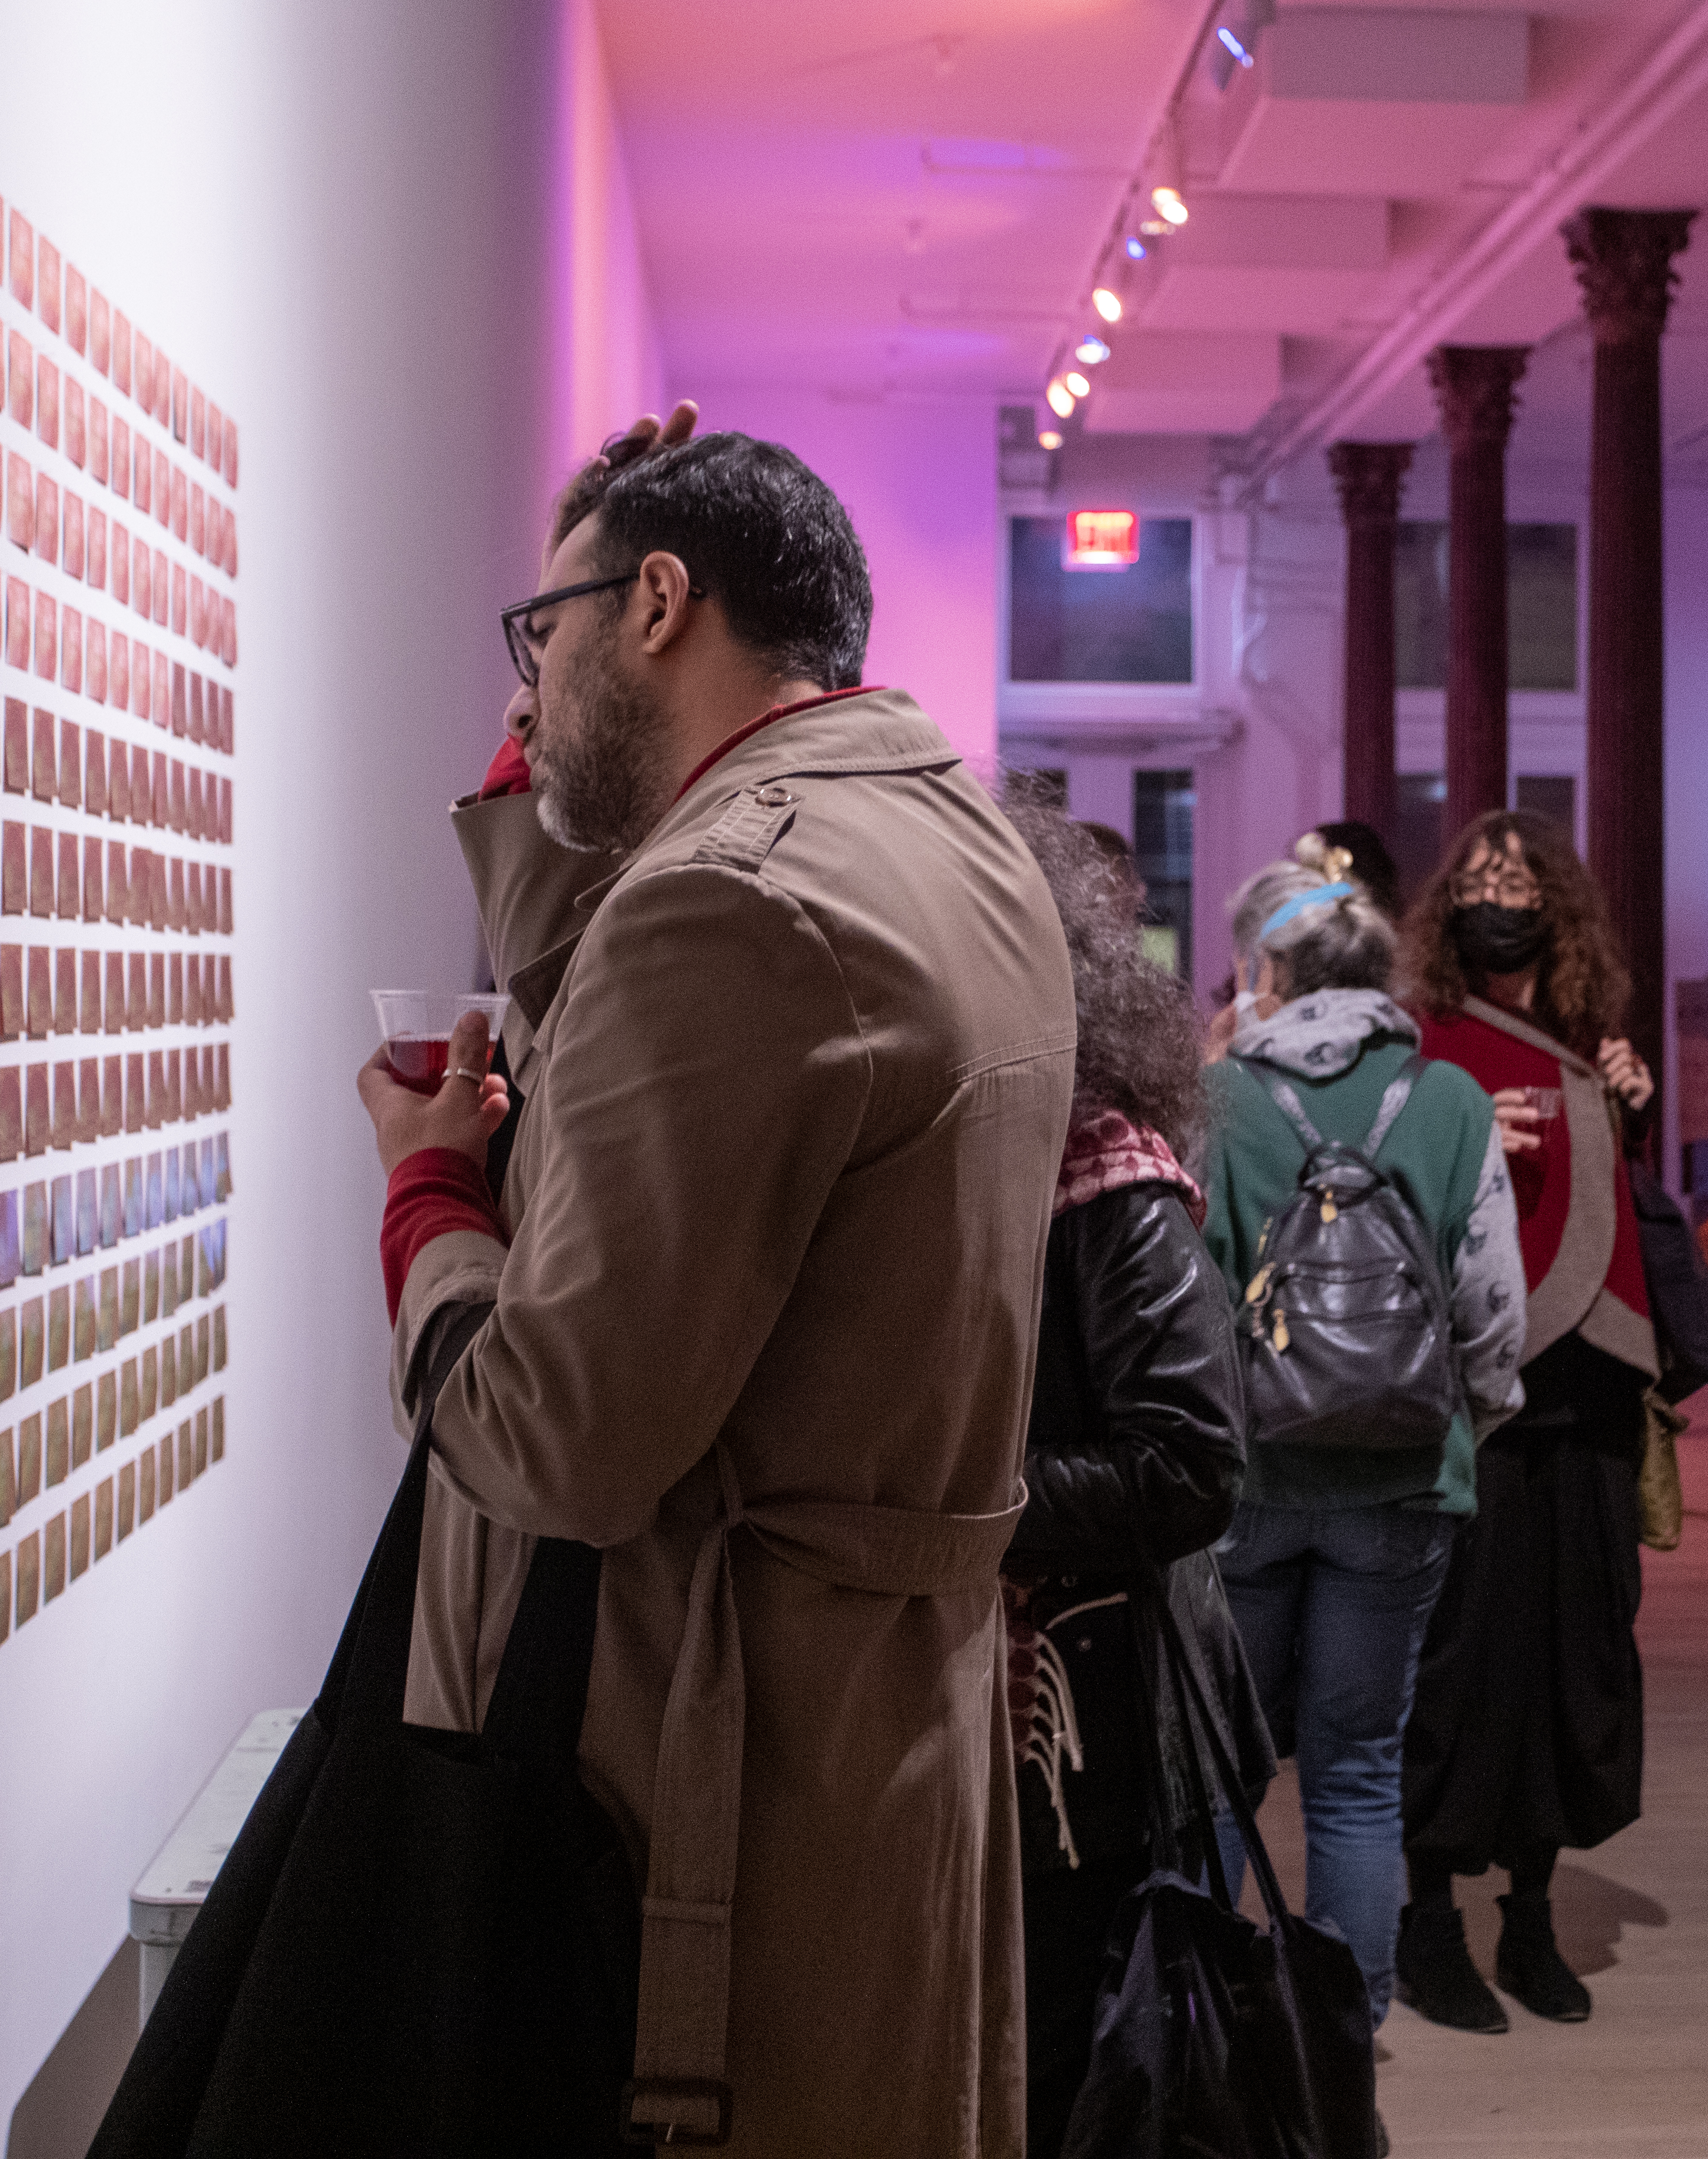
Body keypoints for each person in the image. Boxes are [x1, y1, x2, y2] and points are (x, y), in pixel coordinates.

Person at [361, 426, 1075, 2154]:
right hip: (881, 1721)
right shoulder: (947, 844)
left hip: (723, 1778)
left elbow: (556, 1440)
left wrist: (427, 1196)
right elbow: (627, 969)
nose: (530, 693)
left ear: (659, 603)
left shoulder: (730, 903)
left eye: (549, 634)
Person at [1201, 861, 1528, 2038]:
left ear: (1266, 970)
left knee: (1222, 1769)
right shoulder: (1448, 1098)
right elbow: (1494, 1309)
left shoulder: (1221, 1097)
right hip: (1399, 1482)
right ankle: (1345, 2040)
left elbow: (1185, 1305)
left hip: (1247, 1487)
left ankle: (1204, 2027)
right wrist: (1458, 1427)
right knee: (1356, 1772)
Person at [991, 790, 1270, 2154]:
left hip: (1087, 1721)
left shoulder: (1108, 1166)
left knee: (1079, 2072)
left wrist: (955, 1507)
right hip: (970, 1710)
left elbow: (1187, 1464)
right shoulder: (964, 1155)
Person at [1393, 811, 1663, 2031]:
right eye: (1482, 879)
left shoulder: (1591, 1045)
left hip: (1587, 1393)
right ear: (1449, 907)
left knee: (1572, 1659)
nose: (1500, 897)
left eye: (1522, 880)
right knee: (1459, 1663)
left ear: (1560, 907)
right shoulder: (1420, 1043)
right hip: (1472, 1397)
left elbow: (1623, 1217)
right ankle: (1427, 1918)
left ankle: (1534, 1914)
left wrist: (1630, 1113)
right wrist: (1455, 1148)